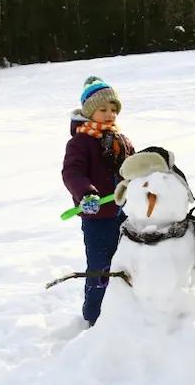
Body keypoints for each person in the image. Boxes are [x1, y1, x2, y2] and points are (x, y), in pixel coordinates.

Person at [62, 76, 135, 326]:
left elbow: (133, 169)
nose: (109, 114)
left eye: (113, 110)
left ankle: (127, 309)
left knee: (128, 263)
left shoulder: (121, 141)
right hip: (98, 217)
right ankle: (94, 316)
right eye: (103, 109)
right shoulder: (80, 142)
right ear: (89, 111)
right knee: (100, 267)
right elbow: (72, 173)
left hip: (126, 214)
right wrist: (86, 194)